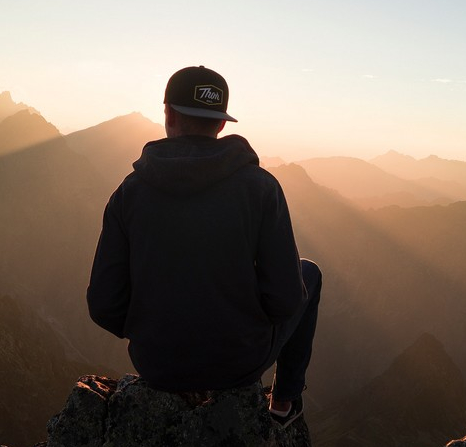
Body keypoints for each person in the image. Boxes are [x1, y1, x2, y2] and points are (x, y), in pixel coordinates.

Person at [87, 65, 321, 427]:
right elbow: (287, 300)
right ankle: (283, 403)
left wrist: (155, 331)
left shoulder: (129, 193)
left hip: (156, 364)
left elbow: (104, 305)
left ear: (168, 114)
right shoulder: (260, 189)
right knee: (310, 273)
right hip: (238, 364)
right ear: (222, 124)